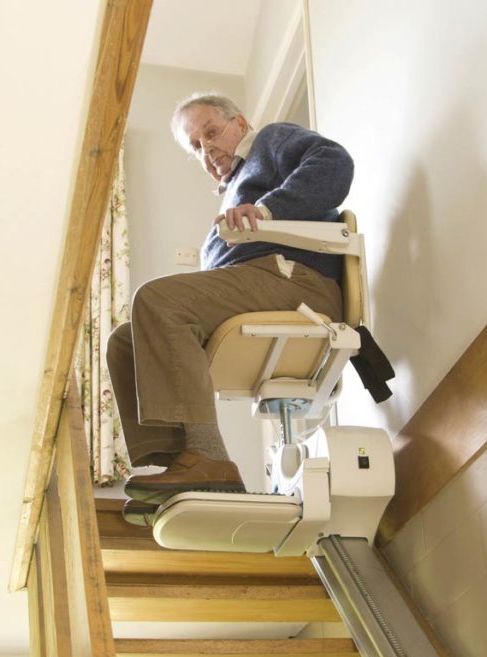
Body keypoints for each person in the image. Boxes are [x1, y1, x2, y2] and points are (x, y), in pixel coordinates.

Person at [106, 93, 354, 524]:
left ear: (239, 123)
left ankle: (208, 459)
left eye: (211, 132)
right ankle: (182, 460)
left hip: (295, 282)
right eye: (196, 148)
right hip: (260, 285)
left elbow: (335, 163)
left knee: (156, 299)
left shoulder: (270, 142)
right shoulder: (231, 195)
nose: (207, 150)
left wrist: (266, 209)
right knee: (126, 340)